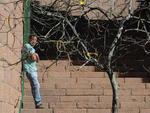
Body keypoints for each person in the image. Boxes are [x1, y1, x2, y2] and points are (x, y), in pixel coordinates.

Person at [22, 34, 43, 109]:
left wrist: (36, 54)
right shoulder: (27, 46)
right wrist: (35, 55)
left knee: (36, 86)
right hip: (29, 69)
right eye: (33, 39)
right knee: (36, 85)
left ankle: (37, 103)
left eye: (35, 40)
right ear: (29, 39)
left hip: (33, 70)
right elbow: (34, 58)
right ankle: (38, 102)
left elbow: (38, 61)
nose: (34, 41)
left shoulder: (32, 49)